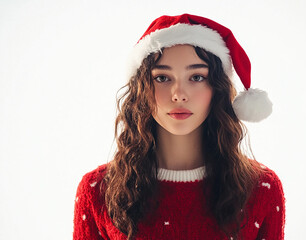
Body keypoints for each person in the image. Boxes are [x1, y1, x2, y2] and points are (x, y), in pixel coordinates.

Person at [73, 14, 285, 240]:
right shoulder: (98, 191)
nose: (179, 95)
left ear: (217, 88)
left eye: (196, 77)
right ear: (141, 90)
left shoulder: (262, 189)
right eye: (163, 78)